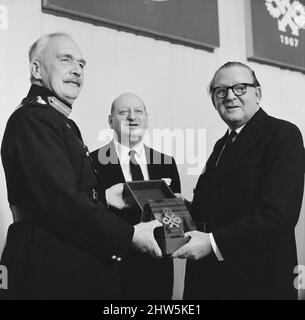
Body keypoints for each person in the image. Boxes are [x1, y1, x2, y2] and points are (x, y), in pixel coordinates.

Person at [0, 33, 162, 299]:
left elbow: (61, 190)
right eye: (66, 60)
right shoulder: (34, 118)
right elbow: (60, 200)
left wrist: (105, 197)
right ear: (36, 69)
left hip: (62, 264)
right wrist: (129, 235)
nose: (77, 69)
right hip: (48, 268)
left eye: (81, 64)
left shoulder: (56, 119)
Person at [173, 61, 305, 299]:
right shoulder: (220, 145)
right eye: (221, 91)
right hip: (211, 283)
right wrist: (184, 208)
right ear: (214, 102)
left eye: (240, 87)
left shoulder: (283, 135)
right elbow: (219, 211)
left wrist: (212, 243)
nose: (230, 96)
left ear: (258, 93)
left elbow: (278, 217)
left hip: (256, 285)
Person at [90, 92, 181, 299]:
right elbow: (87, 215)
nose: (132, 117)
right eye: (123, 112)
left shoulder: (167, 163)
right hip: (111, 271)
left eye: (138, 111)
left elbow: (174, 225)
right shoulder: (91, 162)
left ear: (146, 120)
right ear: (110, 121)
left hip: (157, 273)